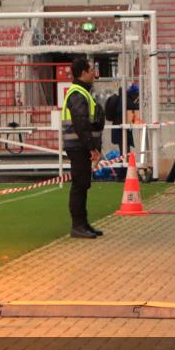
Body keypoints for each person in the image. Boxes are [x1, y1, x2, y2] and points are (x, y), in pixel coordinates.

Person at [61, 58, 106, 239]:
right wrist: (91, 147)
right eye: (91, 70)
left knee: (83, 184)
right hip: (79, 146)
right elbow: (81, 123)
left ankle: (83, 224)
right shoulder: (78, 94)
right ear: (83, 73)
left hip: (80, 145)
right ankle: (78, 226)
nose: (94, 73)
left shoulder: (82, 92)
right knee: (80, 185)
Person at [107, 84, 142, 157]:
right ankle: (125, 167)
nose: (136, 97)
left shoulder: (121, 98)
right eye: (136, 95)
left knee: (123, 150)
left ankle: (125, 165)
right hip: (122, 130)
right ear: (133, 94)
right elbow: (134, 108)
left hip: (119, 128)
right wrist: (138, 104)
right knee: (125, 151)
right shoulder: (126, 100)